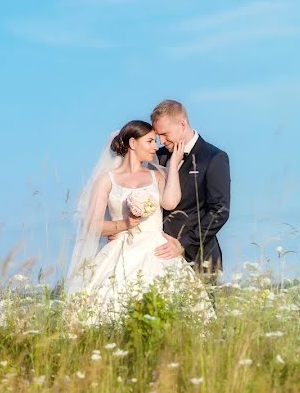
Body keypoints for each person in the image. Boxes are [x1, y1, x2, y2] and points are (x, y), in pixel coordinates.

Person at [64, 120, 200, 324]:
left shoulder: (157, 175)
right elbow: (94, 225)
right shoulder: (107, 180)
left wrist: (172, 167)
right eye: (150, 141)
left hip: (156, 249)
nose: (156, 146)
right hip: (121, 250)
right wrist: (127, 223)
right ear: (133, 144)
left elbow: (170, 203)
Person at [151, 100, 231, 280]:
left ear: (182, 124)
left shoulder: (214, 157)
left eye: (164, 134)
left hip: (198, 257)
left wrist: (182, 244)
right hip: (157, 256)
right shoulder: (157, 157)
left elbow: (220, 210)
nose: (161, 141)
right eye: (157, 136)